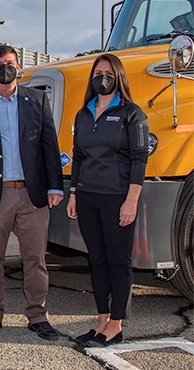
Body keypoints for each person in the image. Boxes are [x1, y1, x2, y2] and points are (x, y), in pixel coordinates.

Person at [0, 45, 64, 340]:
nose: (4, 68)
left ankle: (37, 315)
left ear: (18, 68)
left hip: (32, 196)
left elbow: (49, 147)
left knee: (36, 260)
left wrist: (55, 185)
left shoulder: (37, 99)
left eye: (9, 63)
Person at [66, 54, 149, 347]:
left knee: (118, 262)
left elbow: (140, 159)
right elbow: (78, 156)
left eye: (108, 72)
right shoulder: (83, 113)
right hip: (88, 197)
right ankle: (101, 321)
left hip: (117, 198)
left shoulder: (132, 114)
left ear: (118, 77)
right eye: (98, 72)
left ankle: (116, 324)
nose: (102, 77)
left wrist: (131, 201)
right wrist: (73, 194)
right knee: (97, 261)